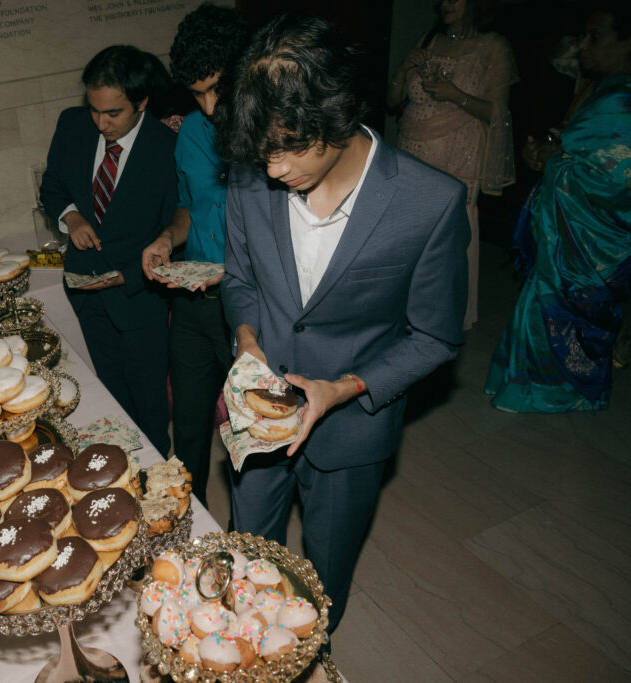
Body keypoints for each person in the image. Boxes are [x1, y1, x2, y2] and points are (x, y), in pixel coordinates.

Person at [217, 14, 469, 632]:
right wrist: (247, 341)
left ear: (340, 113)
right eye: (263, 149)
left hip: (353, 428)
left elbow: (435, 335)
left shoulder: (429, 202)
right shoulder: (251, 181)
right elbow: (242, 280)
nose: (274, 168)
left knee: (322, 580)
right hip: (260, 412)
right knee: (245, 557)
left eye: (290, 146)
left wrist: (344, 388)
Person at [485, 3, 631, 412]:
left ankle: (555, 393)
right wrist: (549, 153)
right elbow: (578, 149)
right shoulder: (602, 88)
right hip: (570, 235)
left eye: (595, 36)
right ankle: (529, 385)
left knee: (566, 305)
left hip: (596, 240)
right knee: (542, 297)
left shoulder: (623, 99)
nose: (582, 45)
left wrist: (554, 162)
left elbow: (617, 180)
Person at [140, 4, 252, 508]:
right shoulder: (189, 133)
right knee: (187, 426)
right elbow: (188, 206)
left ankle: (241, 545)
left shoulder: (269, 137)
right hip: (192, 304)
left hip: (248, 309)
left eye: (217, 90)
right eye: (197, 93)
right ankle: (189, 522)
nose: (208, 107)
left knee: (246, 436)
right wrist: (167, 239)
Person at [40, 45, 177, 454]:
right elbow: (53, 185)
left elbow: (176, 230)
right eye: (95, 110)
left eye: (113, 113)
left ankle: (156, 473)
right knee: (107, 391)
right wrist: (72, 217)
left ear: (142, 102)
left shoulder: (167, 148)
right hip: (84, 291)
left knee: (149, 400)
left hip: (139, 295)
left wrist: (128, 276)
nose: (101, 123)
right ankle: (118, 467)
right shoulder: (72, 125)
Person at [387, 0, 517, 329]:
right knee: (407, 233)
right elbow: (391, 101)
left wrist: (454, 94)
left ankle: (442, 315)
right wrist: (404, 69)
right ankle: (400, 307)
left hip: (457, 155)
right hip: (412, 149)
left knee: (448, 237)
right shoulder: (428, 39)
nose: (445, 3)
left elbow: (498, 114)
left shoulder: (493, 46)